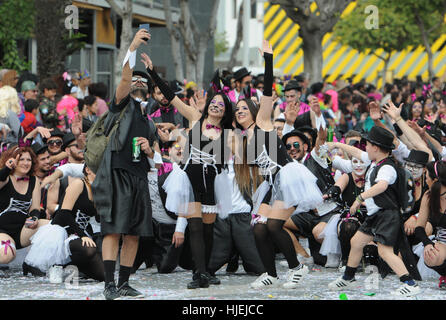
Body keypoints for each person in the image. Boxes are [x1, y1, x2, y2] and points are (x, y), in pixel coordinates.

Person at [232, 41, 322, 290]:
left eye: (243, 108)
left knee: (273, 225)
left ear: (252, 110)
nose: (239, 111)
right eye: (236, 109)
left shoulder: (262, 121)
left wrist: (269, 60)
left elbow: (269, 92)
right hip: (271, 184)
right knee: (259, 228)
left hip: (288, 177)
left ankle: (297, 267)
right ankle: (270, 273)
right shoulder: (243, 138)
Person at [143, 54, 233, 289]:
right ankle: (199, 274)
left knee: (208, 230)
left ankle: (206, 270)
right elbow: (172, 98)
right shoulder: (195, 117)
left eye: (220, 105)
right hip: (190, 179)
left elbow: (227, 160)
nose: (215, 105)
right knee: (194, 228)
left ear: (225, 112)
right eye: (214, 102)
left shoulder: (227, 133)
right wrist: (153, 72)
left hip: (212, 181)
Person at [92, 29, 155, 300]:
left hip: (139, 176)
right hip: (117, 172)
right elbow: (125, 77)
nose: (137, 83)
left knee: (134, 233)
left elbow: (154, 156)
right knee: (114, 229)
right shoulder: (121, 105)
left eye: (143, 82)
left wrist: (149, 148)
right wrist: (131, 46)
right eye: (135, 81)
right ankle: (109, 285)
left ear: (149, 92)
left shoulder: (149, 122)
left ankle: (124, 283)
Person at [328, 126, 421, 297]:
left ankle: (409, 283)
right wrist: (335, 144)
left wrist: (360, 198)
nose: (365, 148)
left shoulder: (387, 168)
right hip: (376, 215)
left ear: (375, 148)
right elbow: (356, 152)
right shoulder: (375, 161)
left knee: (384, 251)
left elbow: (382, 185)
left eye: (367, 145)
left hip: (387, 215)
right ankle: (348, 277)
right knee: (356, 242)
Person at [24, 164, 104, 282]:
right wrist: (82, 235)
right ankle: (57, 265)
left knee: (104, 276)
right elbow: (64, 213)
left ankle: (72, 266)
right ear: (88, 170)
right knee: (88, 249)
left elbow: (97, 218)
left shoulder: (99, 188)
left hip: (81, 231)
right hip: (63, 230)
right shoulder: (78, 184)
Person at [0, 146, 49, 275]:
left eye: (28, 160)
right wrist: (7, 169)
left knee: (51, 227)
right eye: (21, 159)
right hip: (2, 231)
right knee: (6, 255)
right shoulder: (5, 178)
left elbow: (35, 208)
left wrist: (34, 218)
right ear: (13, 161)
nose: (26, 163)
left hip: (22, 230)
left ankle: (32, 262)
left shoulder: (34, 181)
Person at [415, 161, 446, 288]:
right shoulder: (428, 196)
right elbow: (419, 228)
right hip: (443, 241)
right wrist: (427, 243)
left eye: (426, 176)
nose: (425, 180)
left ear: (434, 180)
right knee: (430, 255)